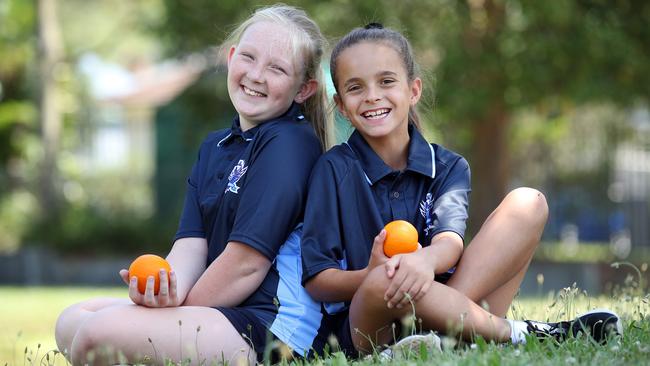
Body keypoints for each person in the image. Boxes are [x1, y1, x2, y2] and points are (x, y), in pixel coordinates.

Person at [299, 23, 622, 358]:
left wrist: (423, 262)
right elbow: (317, 279)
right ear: (340, 105)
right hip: (369, 324)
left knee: (530, 202)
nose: (372, 95)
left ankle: (445, 337)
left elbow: (449, 242)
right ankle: (526, 334)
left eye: (386, 81)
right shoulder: (332, 169)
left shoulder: (449, 166)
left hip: (451, 299)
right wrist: (371, 274)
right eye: (355, 87)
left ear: (414, 90)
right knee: (385, 281)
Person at [55, 5, 331, 365]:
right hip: (220, 311)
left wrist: (171, 315)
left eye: (277, 68)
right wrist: (164, 291)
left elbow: (246, 264)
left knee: (96, 334)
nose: (256, 75)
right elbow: (190, 247)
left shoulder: (290, 142)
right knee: (72, 320)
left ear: (304, 89)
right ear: (231, 58)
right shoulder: (216, 146)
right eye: (248, 57)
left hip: (271, 327)